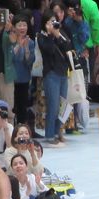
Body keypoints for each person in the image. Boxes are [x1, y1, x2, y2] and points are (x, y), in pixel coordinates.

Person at [38, 11, 74, 147]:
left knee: (63, 105)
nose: (52, 24)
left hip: (63, 72)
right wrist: (51, 35)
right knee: (52, 105)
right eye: (49, 22)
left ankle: (59, 131)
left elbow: (67, 47)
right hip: (51, 73)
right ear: (44, 23)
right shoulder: (41, 36)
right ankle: (49, 135)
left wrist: (57, 34)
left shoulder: (61, 32)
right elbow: (49, 50)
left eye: (54, 21)